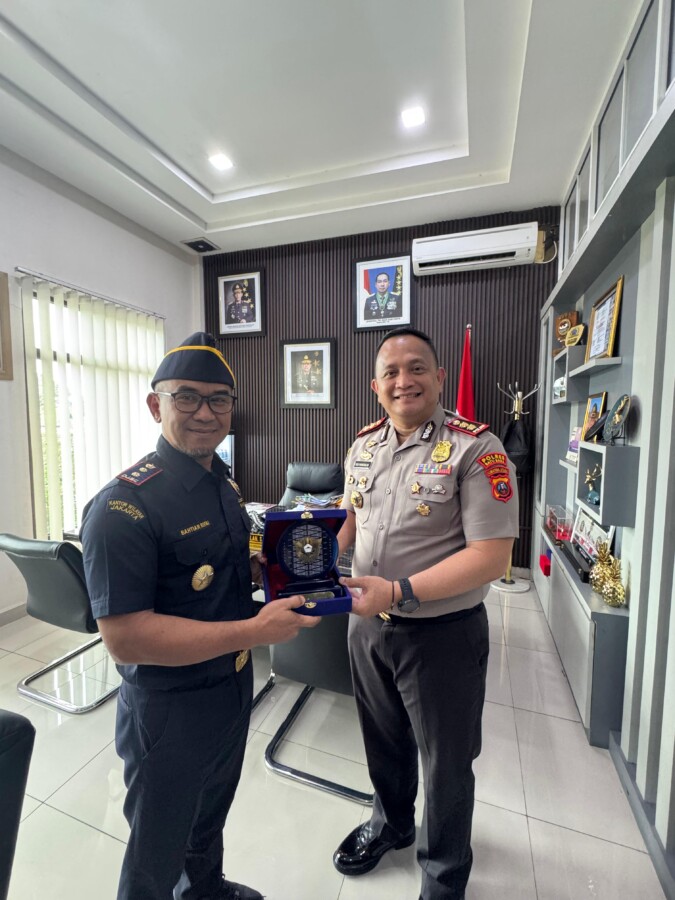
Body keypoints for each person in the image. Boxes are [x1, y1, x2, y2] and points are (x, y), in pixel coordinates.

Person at [80, 331, 320, 900]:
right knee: (156, 850)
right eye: (186, 397)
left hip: (229, 690)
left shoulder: (222, 483)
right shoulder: (123, 507)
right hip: (170, 710)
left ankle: (205, 890)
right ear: (155, 404)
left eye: (219, 399)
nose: (205, 413)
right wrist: (256, 631)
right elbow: (127, 638)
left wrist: (267, 571)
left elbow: (220, 570)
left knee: (209, 815)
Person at [332, 326, 519, 900]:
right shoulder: (363, 446)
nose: (403, 381)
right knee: (382, 740)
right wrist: (310, 558)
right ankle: (391, 824)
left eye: (416, 368)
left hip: (442, 635)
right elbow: (349, 518)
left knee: (446, 763)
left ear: (439, 378)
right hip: (366, 626)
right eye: (390, 372)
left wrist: (397, 591)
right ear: (375, 386)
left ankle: (442, 875)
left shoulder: (477, 448)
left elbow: (492, 557)